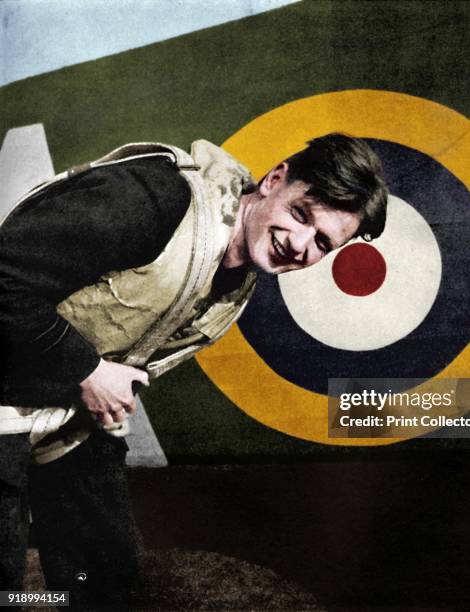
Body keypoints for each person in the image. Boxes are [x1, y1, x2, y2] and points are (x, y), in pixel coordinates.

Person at [0, 133, 388, 608]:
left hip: (63, 413)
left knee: (106, 579)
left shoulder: (241, 267)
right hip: (17, 400)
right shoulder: (152, 199)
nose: (299, 244)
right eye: (301, 214)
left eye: (323, 244)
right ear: (275, 179)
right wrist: (88, 370)